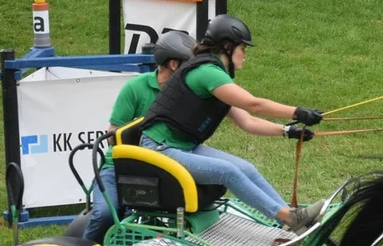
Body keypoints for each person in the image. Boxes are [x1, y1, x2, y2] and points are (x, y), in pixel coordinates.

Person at [138, 14, 326, 231]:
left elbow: (247, 122)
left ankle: (287, 220)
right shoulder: (207, 73)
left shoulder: (214, 73)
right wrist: (297, 111)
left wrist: (288, 131)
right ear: (227, 47)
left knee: (247, 168)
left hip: (181, 146)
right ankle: (291, 218)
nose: (245, 55)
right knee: (227, 172)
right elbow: (253, 104)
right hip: (159, 149)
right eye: (242, 49)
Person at [83, 30, 197, 243]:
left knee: (140, 222)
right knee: (107, 214)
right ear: (174, 65)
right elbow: (111, 136)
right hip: (117, 168)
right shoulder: (136, 88)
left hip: (159, 171)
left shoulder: (187, 95)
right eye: (190, 66)